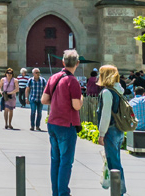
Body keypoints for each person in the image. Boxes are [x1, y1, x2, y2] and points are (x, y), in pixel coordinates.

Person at [43, 50, 84, 196]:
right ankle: (63, 193)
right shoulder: (72, 81)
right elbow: (76, 106)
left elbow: (44, 100)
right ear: (77, 63)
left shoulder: (54, 77)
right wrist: (82, 99)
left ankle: (56, 192)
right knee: (66, 161)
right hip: (67, 125)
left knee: (55, 160)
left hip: (53, 122)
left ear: (63, 62)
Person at [95, 66, 130, 196]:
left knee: (113, 164)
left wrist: (101, 134)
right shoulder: (118, 90)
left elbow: (105, 115)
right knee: (116, 162)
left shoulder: (107, 92)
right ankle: (119, 191)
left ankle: (119, 192)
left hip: (111, 131)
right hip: (119, 130)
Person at [27, 67, 47, 131]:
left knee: (39, 113)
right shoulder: (30, 80)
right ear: (33, 73)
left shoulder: (43, 80)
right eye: (36, 73)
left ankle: (37, 126)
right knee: (33, 112)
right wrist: (26, 98)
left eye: (38, 72)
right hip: (33, 98)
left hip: (40, 99)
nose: (38, 74)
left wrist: (45, 97)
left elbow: (45, 89)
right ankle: (32, 126)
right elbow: (27, 89)